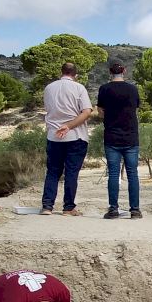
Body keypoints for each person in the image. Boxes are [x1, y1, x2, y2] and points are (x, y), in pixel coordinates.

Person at [40, 63, 92, 216]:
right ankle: (68, 207)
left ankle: (47, 206)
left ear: (61, 72)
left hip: (54, 135)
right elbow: (86, 112)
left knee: (52, 172)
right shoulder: (79, 88)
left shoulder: (49, 88)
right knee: (71, 172)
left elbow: (48, 109)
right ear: (76, 74)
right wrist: (69, 126)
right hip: (75, 135)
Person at [96, 63, 143, 219]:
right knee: (132, 174)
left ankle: (113, 209)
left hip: (112, 136)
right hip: (131, 136)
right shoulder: (132, 89)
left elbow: (100, 112)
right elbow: (135, 109)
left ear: (110, 72)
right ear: (124, 71)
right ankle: (135, 210)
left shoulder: (104, 89)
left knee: (113, 174)